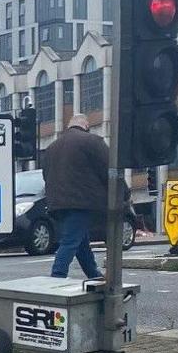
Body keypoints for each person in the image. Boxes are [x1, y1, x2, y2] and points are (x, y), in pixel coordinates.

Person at [40, 114, 110, 280]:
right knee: (71, 241)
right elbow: (110, 171)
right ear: (86, 125)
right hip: (82, 201)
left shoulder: (51, 148)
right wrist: (124, 194)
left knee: (80, 241)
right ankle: (57, 276)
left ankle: (94, 275)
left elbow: (46, 175)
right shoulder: (93, 141)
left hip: (57, 203)